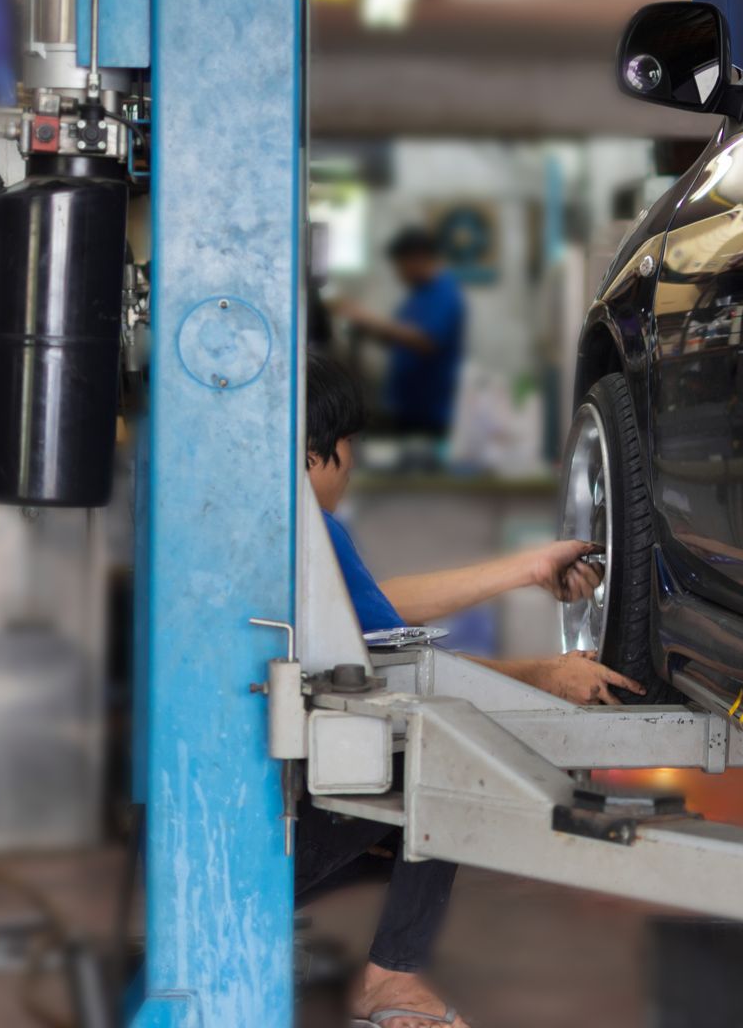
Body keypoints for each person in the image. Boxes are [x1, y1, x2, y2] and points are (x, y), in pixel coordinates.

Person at [300, 353, 637, 1028]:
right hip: (275, 823)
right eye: (349, 450)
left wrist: (528, 567)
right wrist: (543, 676)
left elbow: (383, 610)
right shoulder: (311, 527)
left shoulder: (281, 529)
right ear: (316, 456)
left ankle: (266, 905)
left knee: (404, 789)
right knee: (452, 757)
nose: (353, 465)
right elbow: (402, 671)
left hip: (237, 809)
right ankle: (389, 980)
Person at [330, 228, 466, 438]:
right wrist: (366, 326)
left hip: (431, 410)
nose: (399, 273)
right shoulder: (418, 295)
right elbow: (398, 339)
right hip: (408, 405)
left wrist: (367, 318)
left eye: (401, 265)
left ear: (418, 259)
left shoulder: (444, 293)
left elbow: (426, 341)